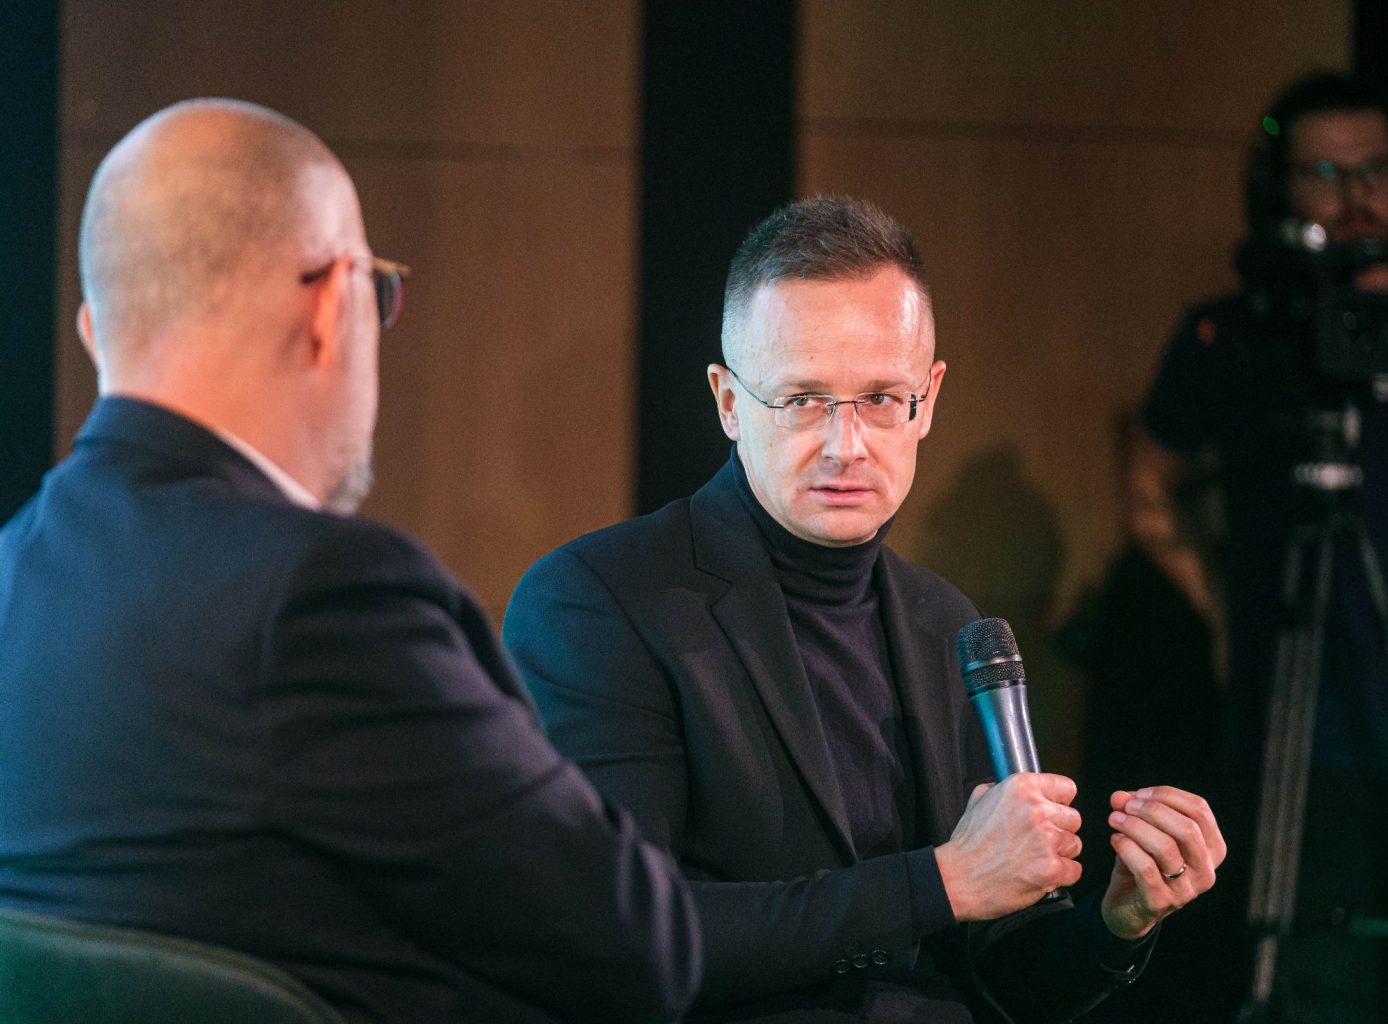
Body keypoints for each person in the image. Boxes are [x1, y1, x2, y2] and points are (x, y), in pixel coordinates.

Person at [0, 99, 700, 1024]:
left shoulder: (13, 571)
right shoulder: (322, 599)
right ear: (334, 302)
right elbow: (641, 953)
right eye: (379, 291)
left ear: (96, 333)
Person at [503, 196, 1226, 1023]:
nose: (846, 445)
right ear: (729, 402)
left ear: (929, 399)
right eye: (803, 399)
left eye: (881, 397)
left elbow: (1001, 970)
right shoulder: (599, 601)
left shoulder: (947, 624)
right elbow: (621, 936)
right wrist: (937, 883)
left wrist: (1117, 923)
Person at [1132, 72, 1388, 1021]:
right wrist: (1220, 610)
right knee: (1306, 1000)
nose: (1358, 199)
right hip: (1291, 755)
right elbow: (1149, 483)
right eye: (1325, 174)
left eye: (1376, 171)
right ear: (1276, 191)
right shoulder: (1238, 336)